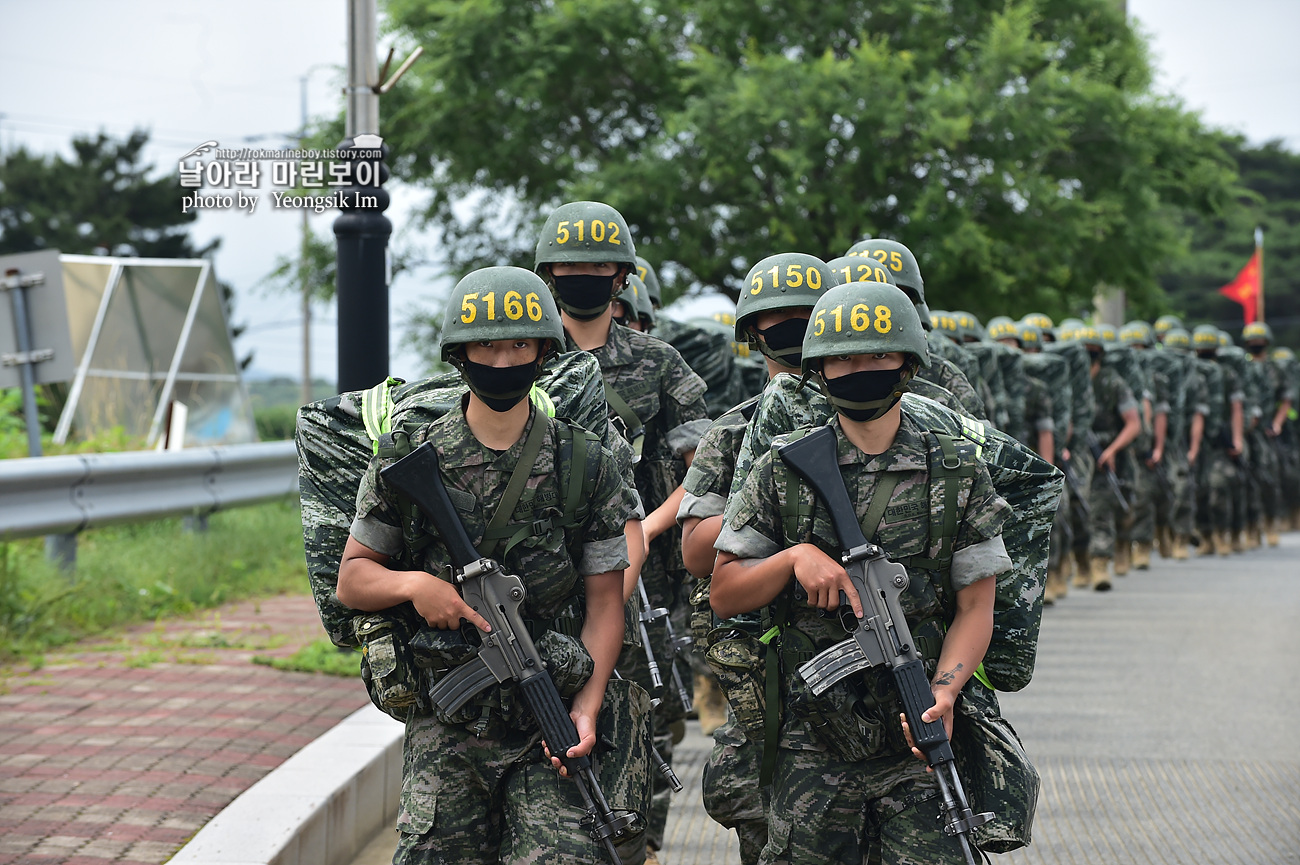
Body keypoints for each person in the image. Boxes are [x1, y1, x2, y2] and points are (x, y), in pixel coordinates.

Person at [337, 266, 647, 865]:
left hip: (548, 713)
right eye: (486, 344)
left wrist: (585, 705)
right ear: (459, 353)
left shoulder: (584, 462)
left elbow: (607, 604)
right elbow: (353, 578)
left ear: (543, 352)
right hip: (449, 727)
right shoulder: (410, 454)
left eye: (518, 345)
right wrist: (415, 585)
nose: (502, 360)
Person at [711, 280, 1015, 865]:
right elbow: (724, 592)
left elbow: (978, 605)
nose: (859, 370)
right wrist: (792, 559)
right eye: (843, 358)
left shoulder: (955, 470)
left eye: (877, 355)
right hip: (813, 736)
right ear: (819, 369)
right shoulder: (783, 465)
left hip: (918, 725)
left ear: (907, 362)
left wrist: (945, 693)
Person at [535, 201, 713, 862]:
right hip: (545, 583)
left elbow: (706, 471)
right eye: (568, 266)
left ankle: (634, 847)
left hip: (647, 580)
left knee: (635, 731)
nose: (583, 275)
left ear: (620, 275)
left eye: (597, 265)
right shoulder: (524, 355)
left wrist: (644, 532)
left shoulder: (659, 364)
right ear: (548, 273)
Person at [678, 251, 833, 865]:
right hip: (770, 677)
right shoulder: (733, 433)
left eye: (806, 316)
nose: (791, 329)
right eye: (777, 320)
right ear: (751, 335)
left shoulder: (879, 426)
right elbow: (696, 551)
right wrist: (772, 519)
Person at [1077, 325, 1141, 590]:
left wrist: (1112, 450)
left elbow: (1134, 423)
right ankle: (1080, 563)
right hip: (1080, 455)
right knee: (1079, 512)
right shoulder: (1071, 385)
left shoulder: (1113, 382)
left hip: (1111, 455)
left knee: (1105, 508)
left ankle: (1101, 564)